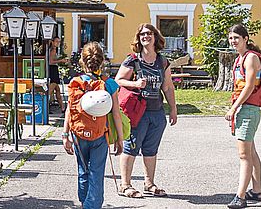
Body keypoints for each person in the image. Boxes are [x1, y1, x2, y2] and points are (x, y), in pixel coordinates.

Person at [115, 23, 178, 198]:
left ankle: (149, 184)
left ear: (155, 37)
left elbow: (167, 87)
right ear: (138, 38)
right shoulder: (133, 60)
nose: (146, 37)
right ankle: (125, 185)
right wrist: (134, 83)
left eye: (149, 34)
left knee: (151, 149)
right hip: (137, 111)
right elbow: (118, 80)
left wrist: (173, 109)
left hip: (156, 111)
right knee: (131, 147)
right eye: (142, 34)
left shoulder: (162, 61)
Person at [63, 42, 124, 209]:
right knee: (96, 173)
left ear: (82, 61)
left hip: (78, 133)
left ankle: (85, 203)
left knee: (83, 170)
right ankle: (91, 206)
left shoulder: (75, 82)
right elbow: (116, 114)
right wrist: (120, 139)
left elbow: (69, 110)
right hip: (99, 135)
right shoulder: (109, 84)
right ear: (102, 61)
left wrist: (65, 135)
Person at [225, 24, 261, 208]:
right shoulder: (240, 58)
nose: (233, 41)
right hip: (246, 108)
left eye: (236, 38)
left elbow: (249, 86)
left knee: (244, 156)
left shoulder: (250, 58)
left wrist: (233, 108)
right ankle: (257, 191)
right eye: (231, 38)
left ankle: (240, 197)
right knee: (251, 152)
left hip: (248, 109)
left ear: (245, 39)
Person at [47, 36, 67, 111]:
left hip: (53, 69)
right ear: (52, 42)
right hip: (52, 69)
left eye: (59, 42)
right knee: (50, 90)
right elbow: (51, 62)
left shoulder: (53, 49)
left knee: (57, 90)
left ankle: (62, 107)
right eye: (56, 41)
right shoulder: (53, 50)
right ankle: (44, 106)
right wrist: (61, 61)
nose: (58, 43)